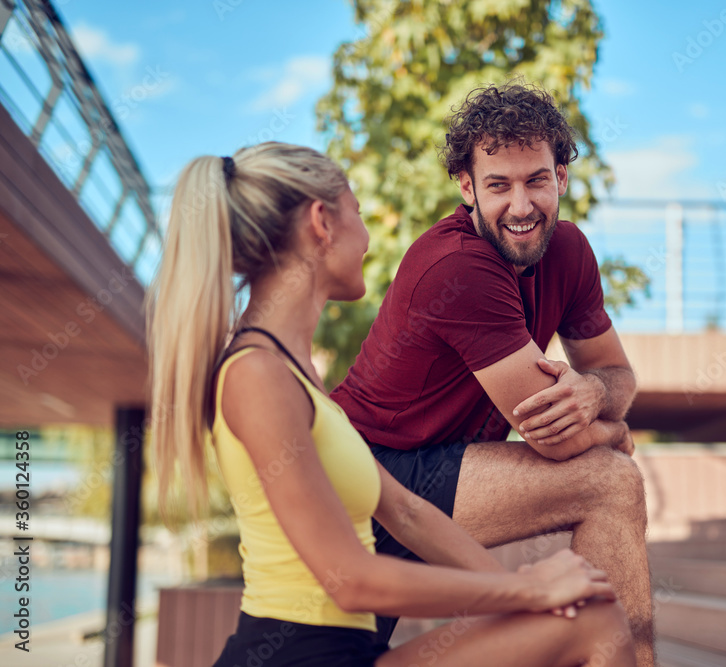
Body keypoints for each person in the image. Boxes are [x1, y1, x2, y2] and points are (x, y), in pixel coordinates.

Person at [146, 142, 636, 667]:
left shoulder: (300, 378)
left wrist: (529, 592)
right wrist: (530, 593)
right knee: (589, 620)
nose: (367, 238)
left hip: (354, 655)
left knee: (594, 621)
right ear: (321, 223)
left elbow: (407, 511)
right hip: (295, 658)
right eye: (357, 212)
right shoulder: (256, 375)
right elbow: (351, 581)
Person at [330, 82, 654, 666]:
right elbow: (559, 441)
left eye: (535, 179)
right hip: (371, 476)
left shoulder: (572, 253)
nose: (522, 206)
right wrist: (613, 429)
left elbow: (618, 374)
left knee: (611, 484)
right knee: (610, 476)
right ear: (467, 188)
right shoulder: (459, 266)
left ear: (561, 176)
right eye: (498, 185)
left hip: (441, 474)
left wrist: (596, 391)